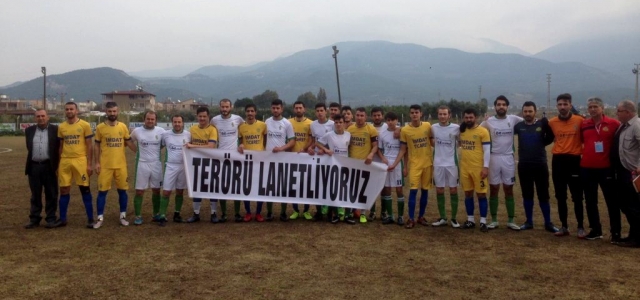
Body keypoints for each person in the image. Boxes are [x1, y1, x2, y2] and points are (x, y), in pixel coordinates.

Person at [580, 97, 620, 240]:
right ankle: (595, 230)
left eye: (595, 106)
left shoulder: (613, 123)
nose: (592, 109)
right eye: (590, 107)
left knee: (612, 201)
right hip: (587, 168)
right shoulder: (584, 124)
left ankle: (615, 232)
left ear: (602, 108)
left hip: (606, 169)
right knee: (590, 201)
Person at [514, 102, 558, 232]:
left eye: (530, 111)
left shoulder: (542, 124)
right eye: (525, 111)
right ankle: (529, 222)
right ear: (522, 112)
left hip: (540, 165)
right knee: (527, 194)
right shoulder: (519, 126)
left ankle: (548, 223)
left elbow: (550, 137)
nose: (527, 114)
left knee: (543, 195)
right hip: (524, 165)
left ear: (535, 111)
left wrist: (541, 143)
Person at [481, 95, 523, 231]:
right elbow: (477, 131)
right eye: (498, 104)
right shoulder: (488, 121)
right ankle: (494, 220)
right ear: (495, 107)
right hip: (493, 158)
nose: (501, 107)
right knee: (494, 189)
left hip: (508, 158)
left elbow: (530, 121)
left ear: (507, 107)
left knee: (508, 188)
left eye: (503, 104)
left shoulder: (514, 119)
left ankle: (511, 220)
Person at [548, 93, 585, 238]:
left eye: (565, 104)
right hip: (558, 161)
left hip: (574, 161)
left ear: (570, 105)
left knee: (577, 196)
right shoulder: (552, 122)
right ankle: (564, 226)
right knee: (560, 196)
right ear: (557, 106)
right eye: (560, 104)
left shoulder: (580, 120)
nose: (562, 107)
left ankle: (581, 227)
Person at [93, 102, 136, 228]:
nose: (112, 114)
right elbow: (96, 145)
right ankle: (100, 218)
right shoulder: (100, 127)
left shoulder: (122, 126)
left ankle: (122, 216)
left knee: (123, 191)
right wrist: (96, 162)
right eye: (110, 111)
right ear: (106, 112)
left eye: (114, 111)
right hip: (105, 166)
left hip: (120, 166)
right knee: (102, 192)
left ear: (117, 112)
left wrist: (141, 152)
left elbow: (129, 143)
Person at [388, 104, 432, 229]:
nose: (414, 114)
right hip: (414, 165)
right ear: (409, 114)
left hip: (427, 164)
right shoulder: (406, 130)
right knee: (413, 191)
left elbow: (434, 139)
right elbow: (403, 150)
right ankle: (411, 218)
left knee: (425, 191)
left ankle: (421, 217)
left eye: (416, 112)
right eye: (412, 112)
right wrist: (399, 165)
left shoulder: (427, 126)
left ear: (421, 114)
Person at [52, 102, 95, 228]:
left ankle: (91, 218)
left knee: (84, 189)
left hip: (80, 160)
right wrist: (59, 163)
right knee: (64, 189)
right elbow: (60, 146)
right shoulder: (62, 127)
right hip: (65, 161)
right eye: (67, 109)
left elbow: (89, 145)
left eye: (71, 109)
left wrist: (89, 164)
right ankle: (63, 219)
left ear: (76, 111)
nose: (69, 111)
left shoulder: (84, 125)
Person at [24, 109, 60, 229]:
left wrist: (57, 166)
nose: (41, 118)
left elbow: (58, 149)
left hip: (49, 167)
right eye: (38, 116)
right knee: (35, 194)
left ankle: (50, 218)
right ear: (35, 118)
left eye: (43, 116)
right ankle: (34, 219)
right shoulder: (29, 131)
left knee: (51, 193)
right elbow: (29, 147)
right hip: (33, 167)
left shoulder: (55, 130)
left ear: (48, 117)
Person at [611, 100, 640, 247]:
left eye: (619, 111)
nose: (617, 113)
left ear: (627, 112)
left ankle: (637, 238)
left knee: (634, 206)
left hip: (632, 173)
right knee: (626, 205)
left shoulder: (637, 125)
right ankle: (632, 235)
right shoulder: (623, 126)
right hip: (622, 171)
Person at [210, 99, 244, 222]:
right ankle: (224, 213)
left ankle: (236, 213)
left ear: (231, 107)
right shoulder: (214, 120)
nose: (224, 109)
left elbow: (244, 132)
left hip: (235, 157)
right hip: (221, 158)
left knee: (236, 186)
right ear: (220, 107)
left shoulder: (238, 119)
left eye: (227, 107)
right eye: (223, 107)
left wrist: (242, 144)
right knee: (222, 186)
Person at [316, 114, 353, 224]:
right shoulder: (329, 135)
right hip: (333, 166)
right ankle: (336, 215)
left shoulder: (348, 135)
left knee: (347, 191)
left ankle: (347, 215)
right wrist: (325, 150)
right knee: (335, 191)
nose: (338, 124)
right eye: (336, 122)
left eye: (340, 122)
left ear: (344, 123)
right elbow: (317, 143)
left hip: (345, 166)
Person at [130, 111, 165, 225]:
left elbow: (164, 143)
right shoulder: (137, 131)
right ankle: (138, 216)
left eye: (152, 119)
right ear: (144, 119)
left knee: (156, 190)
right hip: (142, 164)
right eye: (148, 119)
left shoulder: (161, 131)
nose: (150, 121)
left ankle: (156, 214)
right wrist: (136, 151)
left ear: (156, 120)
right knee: (139, 191)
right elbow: (129, 141)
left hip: (156, 164)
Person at [458, 108, 491, 232]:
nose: (468, 119)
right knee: (467, 194)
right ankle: (470, 220)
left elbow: (487, 150)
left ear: (475, 117)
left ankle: (483, 221)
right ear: (463, 118)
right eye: (466, 117)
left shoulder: (483, 131)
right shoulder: (462, 130)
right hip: (465, 168)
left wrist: (485, 167)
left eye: (471, 117)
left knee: (481, 194)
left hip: (478, 168)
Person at [185, 107, 218, 223]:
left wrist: (193, 146)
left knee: (212, 189)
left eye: (204, 116)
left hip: (211, 163)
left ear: (208, 117)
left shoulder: (212, 129)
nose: (202, 118)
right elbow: (186, 144)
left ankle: (214, 213)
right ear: (197, 116)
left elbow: (211, 146)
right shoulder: (192, 129)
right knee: (197, 188)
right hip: (196, 164)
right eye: (200, 116)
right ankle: (196, 213)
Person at [430, 105, 461, 228]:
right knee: (439, 190)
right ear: (437, 115)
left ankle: (454, 218)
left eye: (445, 114)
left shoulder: (456, 128)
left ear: (449, 115)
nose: (442, 116)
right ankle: (443, 217)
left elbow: (461, 140)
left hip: (452, 164)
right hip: (438, 163)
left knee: (453, 189)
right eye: (440, 114)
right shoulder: (433, 127)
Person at [265, 99, 295, 221]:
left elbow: (293, 141)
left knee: (283, 187)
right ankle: (269, 212)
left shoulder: (287, 123)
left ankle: (283, 213)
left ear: (282, 109)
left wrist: (282, 148)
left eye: (278, 108)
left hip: (282, 159)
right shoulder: (266, 121)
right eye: (273, 108)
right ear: (271, 108)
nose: (275, 110)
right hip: (268, 159)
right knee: (268, 187)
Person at [157, 115, 191, 227]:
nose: (177, 124)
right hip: (170, 166)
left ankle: (177, 214)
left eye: (179, 122)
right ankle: (162, 215)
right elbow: (159, 147)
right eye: (175, 122)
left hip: (183, 166)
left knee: (180, 191)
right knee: (166, 192)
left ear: (183, 123)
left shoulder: (188, 135)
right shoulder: (166, 135)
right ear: (172, 123)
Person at [348, 107, 379, 224]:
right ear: (355, 116)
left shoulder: (371, 129)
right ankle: (351, 211)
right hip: (352, 164)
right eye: (358, 115)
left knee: (364, 189)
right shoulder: (350, 129)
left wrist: (371, 154)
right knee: (352, 189)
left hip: (365, 164)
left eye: (362, 116)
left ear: (366, 117)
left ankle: (362, 213)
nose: (359, 118)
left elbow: (375, 145)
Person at [238, 103, 267, 222]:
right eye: (248, 111)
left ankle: (258, 213)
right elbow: (240, 142)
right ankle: (248, 212)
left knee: (260, 187)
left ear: (255, 112)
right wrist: (240, 145)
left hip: (259, 161)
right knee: (247, 187)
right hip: (246, 162)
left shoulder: (263, 125)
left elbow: (265, 142)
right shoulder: (241, 127)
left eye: (252, 111)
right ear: (245, 113)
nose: (250, 113)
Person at [306, 102, 335, 221]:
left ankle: (330, 212)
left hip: (329, 157)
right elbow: (314, 140)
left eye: (321, 110)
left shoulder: (333, 124)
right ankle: (318, 212)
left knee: (329, 185)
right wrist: (310, 148)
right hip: (317, 158)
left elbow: (334, 140)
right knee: (317, 185)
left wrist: (326, 150)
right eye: (317, 111)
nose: (319, 113)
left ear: (326, 111)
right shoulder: (313, 125)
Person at [378, 112, 406, 226]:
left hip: (397, 164)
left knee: (399, 190)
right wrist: (383, 158)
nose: (390, 122)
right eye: (388, 120)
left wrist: (395, 163)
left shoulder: (401, 133)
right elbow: (379, 149)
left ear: (397, 120)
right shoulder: (382, 134)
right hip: (386, 164)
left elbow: (403, 150)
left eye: (392, 120)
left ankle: (400, 216)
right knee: (387, 189)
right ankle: (390, 216)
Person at [288, 100, 313, 220]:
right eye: (296, 108)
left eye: (300, 108)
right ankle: (295, 210)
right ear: (294, 109)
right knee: (294, 185)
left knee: (306, 185)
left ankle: (307, 210)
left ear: (304, 109)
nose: (298, 110)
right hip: (292, 158)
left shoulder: (310, 123)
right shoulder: (288, 122)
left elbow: (311, 140)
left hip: (306, 158)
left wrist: (305, 149)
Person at [369, 106, 388, 221]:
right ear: (372, 116)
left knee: (385, 189)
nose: (377, 117)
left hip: (385, 162)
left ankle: (384, 212)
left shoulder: (388, 127)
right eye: (375, 115)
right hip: (373, 162)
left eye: (379, 115)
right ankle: (372, 212)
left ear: (382, 116)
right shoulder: (369, 128)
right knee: (372, 188)